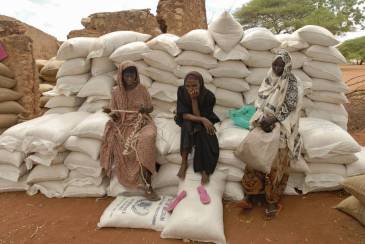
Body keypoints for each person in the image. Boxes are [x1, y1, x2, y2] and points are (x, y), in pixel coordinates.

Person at [238, 49, 303, 219]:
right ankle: (250, 195)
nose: (277, 67)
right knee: (254, 157)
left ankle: (272, 201)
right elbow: (260, 102)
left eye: (281, 65)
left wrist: (272, 120)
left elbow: (290, 107)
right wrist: (261, 119)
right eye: (275, 64)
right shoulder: (268, 78)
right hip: (264, 122)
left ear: (287, 66)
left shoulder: (292, 82)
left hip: (282, 126)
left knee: (275, 164)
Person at [100, 61, 160, 201]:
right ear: (121, 75)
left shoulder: (142, 89)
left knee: (147, 139)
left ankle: (148, 185)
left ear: (136, 75)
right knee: (124, 145)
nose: (130, 77)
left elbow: (150, 108)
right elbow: (115, 115)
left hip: (142, 123)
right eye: (127, 74)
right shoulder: (116, 92)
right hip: (124, 125)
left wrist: (145, 110)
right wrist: (110, 112)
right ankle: (133, 182)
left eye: (132, 73)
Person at [175, 71, 220, 186]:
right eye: (188, 86)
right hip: (188, 119)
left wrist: (194, 100)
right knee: (187, 124)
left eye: (194, 85)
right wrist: (202, 120)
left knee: (203, 132)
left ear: (200, 84)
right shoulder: (181, 91)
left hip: (202, 117)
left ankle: (205, 170)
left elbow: (200, 117)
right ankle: (184, 162)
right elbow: (184, 115)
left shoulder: (209, 96)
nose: (190, 89)